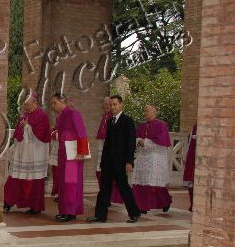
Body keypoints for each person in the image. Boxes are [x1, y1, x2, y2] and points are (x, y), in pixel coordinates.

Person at [87, 95, 142, 223]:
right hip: (108, 162)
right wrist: (102, 161)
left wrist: (129, 162)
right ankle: (100, 216)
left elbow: (131, 143)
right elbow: (107, 143)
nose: (112, 107)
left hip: (121, 162)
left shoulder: (127, 121)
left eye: (115, 104)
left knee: (124, 188)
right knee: (104, 189)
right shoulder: (110, 121)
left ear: (121, 104)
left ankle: (134, 213)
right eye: (111, 105)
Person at [3, 94, 50, 214]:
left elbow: (42, 134)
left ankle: (35, 207)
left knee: (35, 180)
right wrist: (22, 128)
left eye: (28, 105)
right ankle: (7, 202)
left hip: (35, 153)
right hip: (22, 152)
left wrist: (27, 126)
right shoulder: (24, 116)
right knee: (14, 177)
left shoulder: (42, 116)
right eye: (25, 105)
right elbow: (18, 133)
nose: (26, 107)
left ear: (35, 103)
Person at [50, 93, 89, 222]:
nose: (53, 106)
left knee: (70, 183)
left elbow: (81, 132)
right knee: (63, 183)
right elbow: (60, 133)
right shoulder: (60, 116)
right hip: (63, 153)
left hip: (73, 153)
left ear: (63, 101)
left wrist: (82, 152)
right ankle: (64, 210)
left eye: (54, 102)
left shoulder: (73, 113)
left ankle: (71, 212)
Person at [131, 104, 172, 213]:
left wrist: (145, 142)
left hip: (155, 157)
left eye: (148, 110)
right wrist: (138, 141)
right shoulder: (142, 125)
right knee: (141, 183)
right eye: (145, 111)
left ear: (154, 111)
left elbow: (162, 143)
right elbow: (136, 138)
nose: (146, 113)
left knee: (155, 185)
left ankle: (165, 202)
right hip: (143, 157)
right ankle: (141, 206)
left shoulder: (161, 125)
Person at [183, 122, 197, 212]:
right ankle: (192, 204)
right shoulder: (195, 126)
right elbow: (189, 142)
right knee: (191, 180)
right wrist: (186, 155)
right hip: (192, 155)